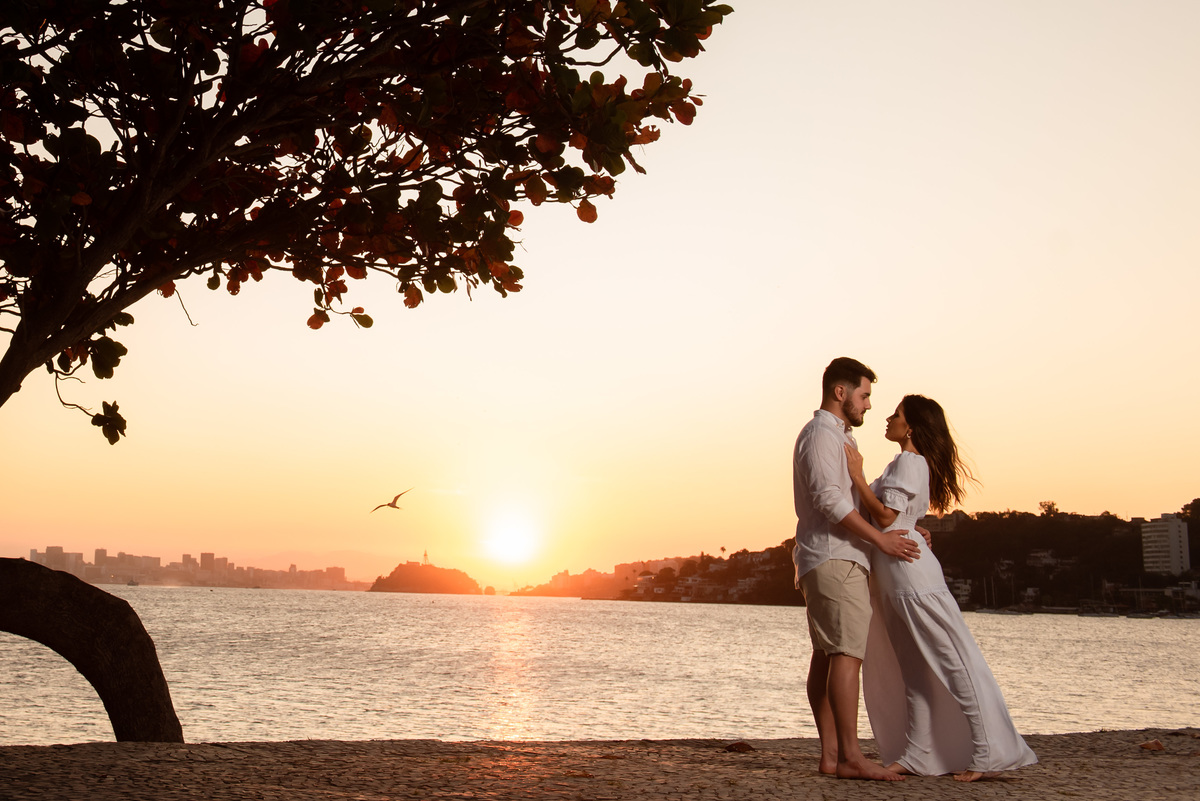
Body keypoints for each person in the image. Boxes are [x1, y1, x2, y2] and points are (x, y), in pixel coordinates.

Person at [845, 394, 1038, 781]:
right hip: (892, 577)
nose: (888, 418)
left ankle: (986, 754)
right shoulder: (905, 463)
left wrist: (857, 477)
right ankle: (916, 754)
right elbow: (899, 518)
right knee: (913, 671)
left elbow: (885, 517)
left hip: (912, 578)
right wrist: (914, 526)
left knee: (955, 664)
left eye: (896, 415)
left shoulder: (910, 461)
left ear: (911, 426)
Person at [792, 357, 924, 781]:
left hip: (831, 557)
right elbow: (831, 502)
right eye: (865, 395)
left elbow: (866, 502)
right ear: (840, 392)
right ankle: (849, 756)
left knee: (828, 656)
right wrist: (881, 539)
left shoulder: (836, 436)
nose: (868, 405)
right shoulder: (821, 436)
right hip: (835, 556)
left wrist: (902, 528)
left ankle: (832, 756)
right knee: (847, 655)